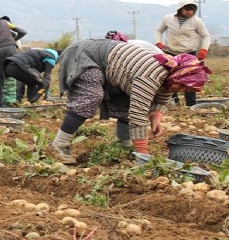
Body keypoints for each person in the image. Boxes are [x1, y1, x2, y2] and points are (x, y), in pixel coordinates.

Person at [46, 39, 211, 165]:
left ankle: (124, 146)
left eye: (185, 89)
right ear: (177, 74)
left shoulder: (170, 73)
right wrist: (143, 154)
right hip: (86, 54)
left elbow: (163, 95)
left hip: (113, 63)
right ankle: (59, 144)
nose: (181, 90)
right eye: (181, 85)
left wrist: (156, 115)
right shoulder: (150, 76)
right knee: (91, 96)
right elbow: (138, 114)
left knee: (128, 101)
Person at [154, 0, 211, 107]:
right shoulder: (168, 18)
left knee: (190, 78)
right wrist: (159, 42)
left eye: (192, 10)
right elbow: (158, 30)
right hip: (170, 52)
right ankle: (173, 102)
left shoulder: (197, 21)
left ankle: (191, 104)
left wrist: (204, 49)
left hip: (189, 53)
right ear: (180, 9)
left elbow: (206, 35)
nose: (189, 12)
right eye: (187, 9)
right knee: (170, 78)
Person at [0, 15, 27, 107]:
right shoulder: (5, 23)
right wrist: (12, 40)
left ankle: (0, 105)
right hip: (11, 48)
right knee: (18, 74)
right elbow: (23, 32)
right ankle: (17, 99)